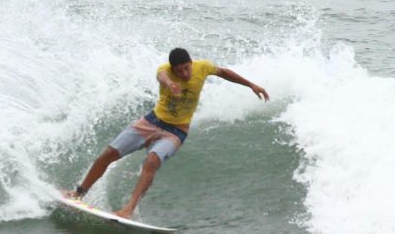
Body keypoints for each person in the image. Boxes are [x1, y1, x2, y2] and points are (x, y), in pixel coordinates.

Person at [64, 48, 269, 219]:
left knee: (152, 161)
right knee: (108, 154)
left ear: (191, 62)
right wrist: (170, 83)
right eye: (179, 71)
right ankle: (78, 193)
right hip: (151, 122)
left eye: (186, 68)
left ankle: (129, 209)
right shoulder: (165, 71)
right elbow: (161, 76)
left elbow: (223, 72)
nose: (185, 74)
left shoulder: (202, 67)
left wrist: (251, 84)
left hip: (176, 132)